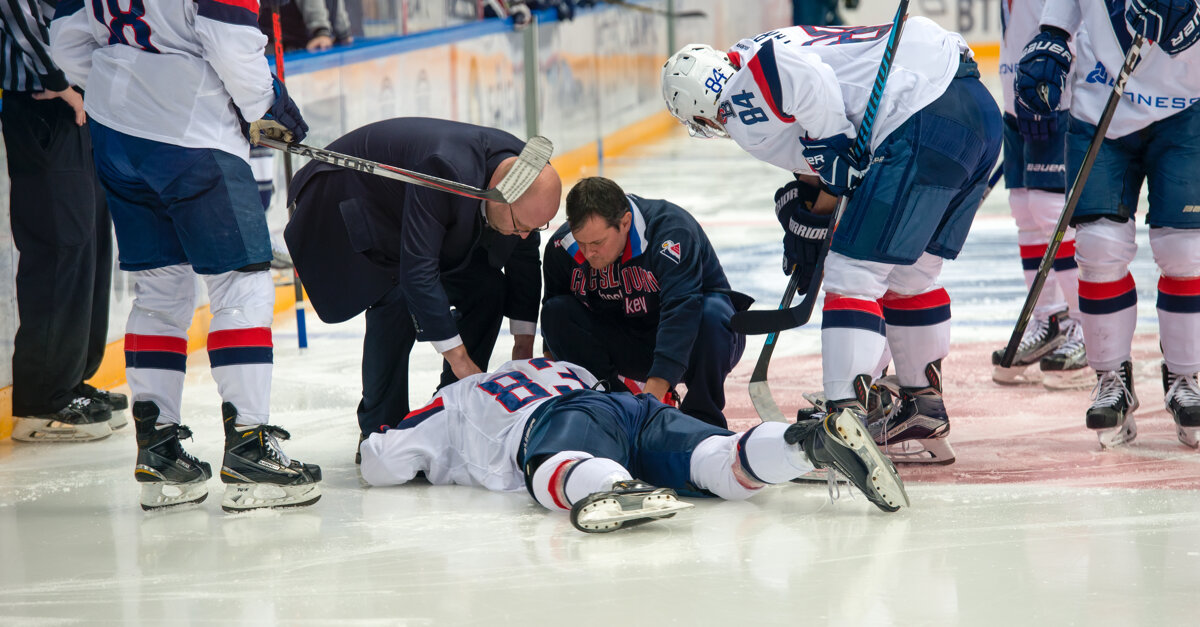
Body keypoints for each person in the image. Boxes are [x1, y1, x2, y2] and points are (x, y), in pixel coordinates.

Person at [662, 17, 1002, 465]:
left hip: (920, 116)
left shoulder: (739, 92)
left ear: (701, 106)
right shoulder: (765, 49)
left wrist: (831, 146)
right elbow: (823, 157)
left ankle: (844, 419)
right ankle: (921, 406)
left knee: (852, 272)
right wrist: (813, 217)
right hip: (974, 110)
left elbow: (794, 77)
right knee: (910, 274)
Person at [50, 0, 320, 512]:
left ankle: (159, 453)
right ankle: (249, 447)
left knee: (159, 289)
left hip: (114, 131)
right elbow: (229, 39)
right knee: (241, 283)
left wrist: (127, 83)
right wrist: (266, 108)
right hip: (194, 132)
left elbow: (66, 39)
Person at [359, 358, 908, 533]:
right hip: (631, 405)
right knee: (716, 463)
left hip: (561, 418)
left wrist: (384, 448)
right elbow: (604, 392)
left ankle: (614, 486)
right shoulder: (551, 362)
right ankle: (805, 444)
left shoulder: (454, 398)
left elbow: (382, 461)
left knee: (552, 465)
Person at [283, 118, 561, 459]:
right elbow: (417, 272)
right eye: (521, 226)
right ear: (499, 199)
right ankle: (380, 429)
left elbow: (524, 259)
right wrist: (461, 360)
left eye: (536, 227)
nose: (525, 234)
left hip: (412, 211)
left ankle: (450, 409)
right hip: (346, 199)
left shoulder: (520, 173)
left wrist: (523, 346)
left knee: (486, 288)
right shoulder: (445, 170)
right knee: (396, 297)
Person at [1014, 0, 1200, 449]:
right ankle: (1111, 376)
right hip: (1101, 105)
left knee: (1185, 251)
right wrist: (1052, 37)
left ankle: (1186, 375)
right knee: (1098, 248)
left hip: (1187, 106)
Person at [1, 0, 123, 443]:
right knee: (60, 244)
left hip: (79, 104)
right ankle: (42, 399)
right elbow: (17, 12)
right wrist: (61, 79)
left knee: (89, 240)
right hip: (42, 102)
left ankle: (72, 381)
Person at [541, 177, 749, 429]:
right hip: (630, 339)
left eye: (597, 242)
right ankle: (614, 409)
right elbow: (555, 327)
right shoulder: (562, 247)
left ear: (625, 222)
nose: (589, 252)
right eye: (581, 242)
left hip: (696, 341)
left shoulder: (671, 231)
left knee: (713, 312)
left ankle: (701, 419)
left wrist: (652, 394)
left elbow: (682, 309)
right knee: (556, 313)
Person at [989, 0, 1089, 390]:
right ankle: (1050, 318)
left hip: (1056, 96)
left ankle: (1085, 324)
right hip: (1016, 97)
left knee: (1050, 212)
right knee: (1025, 213)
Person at [259, 0, 354, 53]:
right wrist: (321, 32)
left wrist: (343, 32)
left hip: (305, 44)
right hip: (283, 45)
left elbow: (337, 5)